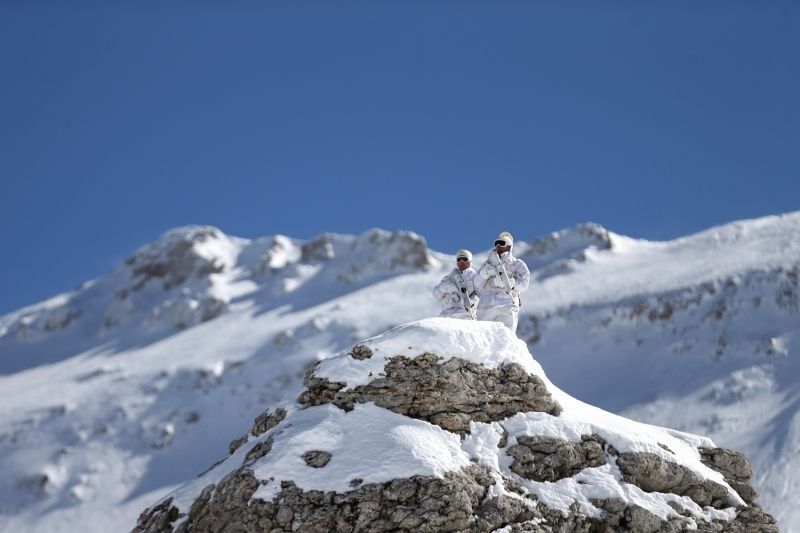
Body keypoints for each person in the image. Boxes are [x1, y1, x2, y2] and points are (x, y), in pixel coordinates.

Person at [475, 231, 530, 333]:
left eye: (502, 243)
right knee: (482, 341)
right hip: (485, 308)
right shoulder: (488, 264)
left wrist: (510, 283)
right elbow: (476, 286)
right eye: (496, 243)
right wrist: (485, 273)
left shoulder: (517, 264)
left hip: (506, 306)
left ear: (509, 247)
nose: (498, 246)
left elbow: (524, 283)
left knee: (504, 340)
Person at [432, 249, 479, 319]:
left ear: (470, 261)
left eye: (464, 259)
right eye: (459, 259)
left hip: (466, 318)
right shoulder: (449, 278)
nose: (461, 262)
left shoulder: (476, 277)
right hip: (446, 318)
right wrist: (446, 287)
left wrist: (472, 301)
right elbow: (436, 295)